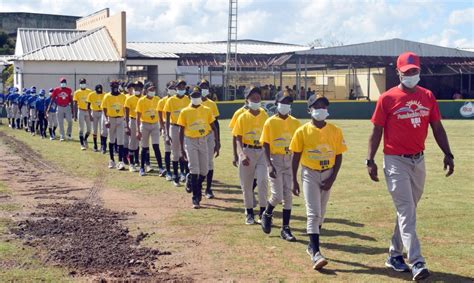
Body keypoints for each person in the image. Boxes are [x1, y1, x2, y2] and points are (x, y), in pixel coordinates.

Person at [367, 52, 454, 281]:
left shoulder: (428, 96)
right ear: (398, 73)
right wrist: (370, 160)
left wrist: (448, 153)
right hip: (395, 160)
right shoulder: (387, 98)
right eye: (406, 72)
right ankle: (416, 261)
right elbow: (376, 131)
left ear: (419, 70)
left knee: (408, 211)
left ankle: (394, 254)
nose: (411, 75)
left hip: (419, 160)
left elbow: (437, 127)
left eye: (414, 71)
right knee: (407, 210)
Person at [290, 94, 347, 270]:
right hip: (310, 172)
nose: (320, 109)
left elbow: (338, 155)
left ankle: (311, 245)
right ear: (309, 110)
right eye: (316, 106)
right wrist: (294, 180)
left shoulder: (335, 130)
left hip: (327, 172)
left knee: (321, 213)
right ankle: (315, 252)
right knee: (313, 213)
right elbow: (295, 156)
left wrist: (332, 178)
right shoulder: (302, 131)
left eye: (323, 106)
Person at [260, 91, 301, 241]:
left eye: (288, 103)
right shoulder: (270, 122)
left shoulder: (295, 122)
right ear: (277, 104)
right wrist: (269, 165)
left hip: (289, 159)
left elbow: (298, 144)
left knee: (288, 196)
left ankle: (286, 229)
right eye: (283, 103)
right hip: (275, 158)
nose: (286, 106)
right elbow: (265, 144)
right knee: (277, 195)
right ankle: (267, 213)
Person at [177, 87, 219, 208]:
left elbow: (213, 126)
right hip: (190, 140)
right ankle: (196, 197)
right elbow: (181, 130)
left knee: (205, 170)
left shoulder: (206, 109)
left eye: (198, 96)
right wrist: (181, 148)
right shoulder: (185, 111)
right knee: (195, 168)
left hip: (203, 140)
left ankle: (192, 181)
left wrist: (216, 141)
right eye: (194, 96)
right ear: (190, 98)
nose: (196, 99)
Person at [232, 86, 269, 225]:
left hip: (261, 152)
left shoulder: (264, 114)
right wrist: (240, 154)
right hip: (247, 151)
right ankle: (249, 212)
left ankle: (263, 212)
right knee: (246, 185)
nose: (256, 100)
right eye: (253, 98)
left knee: (263, 181)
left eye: (258, 98)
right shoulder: (242, 116)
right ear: (247, 100)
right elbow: (237, 137)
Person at [164, 79, 191, 186]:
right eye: (179, 87)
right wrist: (166, 134)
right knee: (175, 152)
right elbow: (166, 118)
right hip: (174, 127)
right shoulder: (170, 101)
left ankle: (184, 174)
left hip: (185, 128)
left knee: (185, 151)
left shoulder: (187, 99)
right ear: (176, 88)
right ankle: (175, 176)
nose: (181, 89)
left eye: (183, 87)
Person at [199, 79, 221, 199]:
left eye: (206, 86)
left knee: (209, 162)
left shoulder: (212, 104)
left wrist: (218, 141)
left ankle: (208, 188)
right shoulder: (193, 103)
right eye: (202, 86)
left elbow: (216, 123)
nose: (204, 89)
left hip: (209, 135)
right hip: (196, 136)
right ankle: (197, 184)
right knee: (198, 163)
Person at [135, 84, 163, 176]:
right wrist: (138, 130)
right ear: (146, 90)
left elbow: (160, 113)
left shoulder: (157, 99)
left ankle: (161, 168)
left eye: (154, 89)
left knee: (156, 146)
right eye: (151, 89)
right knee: (144, 147)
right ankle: (142, 168)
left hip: (155, 124)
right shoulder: (141, 100)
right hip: (145, 125)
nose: (153, 91)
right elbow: (138, 117)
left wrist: (161, 126)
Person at [101, 80, 127, 170]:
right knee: (111, 140)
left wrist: (125, 120)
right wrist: (106, 120)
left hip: (120, 119)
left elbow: (125, 108)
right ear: (111, 87)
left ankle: (120, 161)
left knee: (120, 141)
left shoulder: (123, 96)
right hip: (111, 119)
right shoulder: (107, 96)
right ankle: (111, 160)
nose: (115, 88)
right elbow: (104, 109)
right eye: (113, 86)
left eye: (116, 86)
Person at [157, 81, 176, 181]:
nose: (173, 89)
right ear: (167, 89)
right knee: (168, 150)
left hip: (177, 127)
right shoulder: (162, 101)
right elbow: (160, 116)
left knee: (177, 151)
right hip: (167, 126)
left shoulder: (178, 100)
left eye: (174, 87)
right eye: (171, 87)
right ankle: (168, 171)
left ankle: (179, 172)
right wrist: (163, 128)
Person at [125, 81, 142, 172]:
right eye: (135, 88)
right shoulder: (129, 99)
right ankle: (131, 163)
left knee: (140, 142)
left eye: (139, 88)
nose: (137, 90)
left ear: (142, 89)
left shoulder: (144, 99)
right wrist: (126, 126)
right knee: (132, 141)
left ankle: (138, 161)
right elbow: (126, 114)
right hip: (133, 120)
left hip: (143, 122)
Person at [73, 78, 93, 150]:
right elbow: (75, 103)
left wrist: (91, 113)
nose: (83, 84)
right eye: (81, 83)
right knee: (81, 128)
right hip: (80, 110)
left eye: (84, 82)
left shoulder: (89, 92)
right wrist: (75, 115)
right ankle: (82, 144)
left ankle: (85, 139)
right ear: (79, 84)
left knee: (89, 129)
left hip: (88, 111)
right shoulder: (77, 92)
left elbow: (92, 102)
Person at [87, 84, 105, 152]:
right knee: (94, 130)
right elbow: (88, 106)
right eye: (98, 91)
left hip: (101, 112)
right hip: (94, 112)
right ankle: (95, 145)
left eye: (100, 90)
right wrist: (90, 115)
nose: (99, 92)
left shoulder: (104, 94)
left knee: (102, 130)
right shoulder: (91, 95)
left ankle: (102, 145)